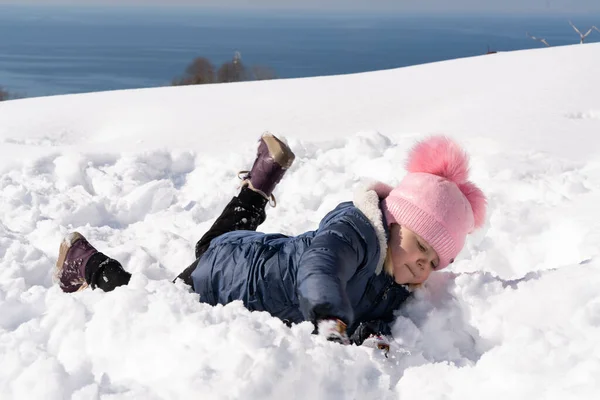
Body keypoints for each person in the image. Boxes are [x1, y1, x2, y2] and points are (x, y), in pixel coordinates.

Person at [54, 133, 486, 351]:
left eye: (434, 262)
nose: (423, 266)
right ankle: (86, 261)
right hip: (229, 278)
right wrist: (330, 315)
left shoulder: (393, 279)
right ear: (394, 222)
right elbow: (322, 267)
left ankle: (259, 183)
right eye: (419, 246)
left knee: (217, 240)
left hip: (253, 255)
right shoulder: (355, 232)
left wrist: (371, 337)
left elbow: (368, 311)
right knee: (148, 300)